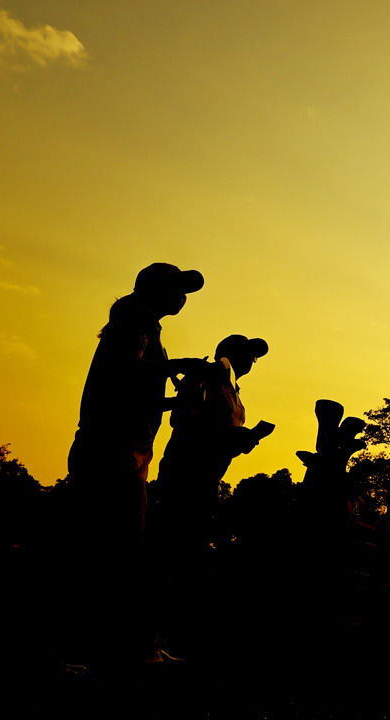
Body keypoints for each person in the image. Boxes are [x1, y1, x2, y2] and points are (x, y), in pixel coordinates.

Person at [62, 262, 207, 666]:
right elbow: (125, 369)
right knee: (109, 548)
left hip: (127, 448)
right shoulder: (133, 319)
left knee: (116, 548)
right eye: (177, 288)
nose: (182, 298)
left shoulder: (144, 324)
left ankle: (113, 644)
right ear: (154, 290)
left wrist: (176, 400)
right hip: (111, 447)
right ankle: (90, 647)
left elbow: (130, 391)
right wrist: (178, 367)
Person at [155, 334, 273, 656]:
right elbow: (183, 418)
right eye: (249, 354)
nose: (253, 361)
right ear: (231, 352)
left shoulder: (236, 395)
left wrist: (243, 440)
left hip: (208, 478)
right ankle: (145, 637)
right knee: (166, 553)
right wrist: (229, 436)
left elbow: (221, 442)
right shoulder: (206, 375)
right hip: (184, 473)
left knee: (185, 558)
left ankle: (161, 637)